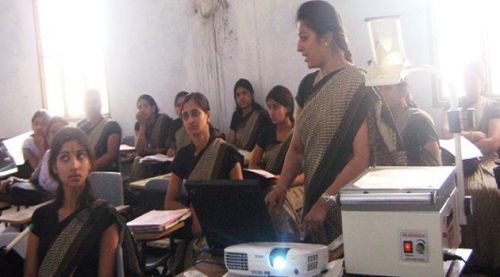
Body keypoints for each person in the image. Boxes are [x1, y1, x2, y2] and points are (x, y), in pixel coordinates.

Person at [266, 0, 405, 245]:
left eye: (304, 38)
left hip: (345, 207)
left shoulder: (358, 85)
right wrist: (281, 186)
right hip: (313, 201)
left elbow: (361, 158)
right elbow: (297, 148)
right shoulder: (307, 86)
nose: (299, 47)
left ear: (327, 37)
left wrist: (325, 202)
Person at [24, 127, 142, 277]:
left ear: (90, 164)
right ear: (54, 167)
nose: (74, 166)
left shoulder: (104, 217)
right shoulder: (40, 217)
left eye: (80, 156)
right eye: (65, 158)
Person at [164, 93, 243, 272]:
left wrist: (209, 216)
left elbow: (239, 200)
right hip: (194, 228)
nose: (190, 120)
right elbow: (169, 201)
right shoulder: (183, 155)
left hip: (223, 230)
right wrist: (192, 211)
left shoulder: (226, 152)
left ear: (208, 115)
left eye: (195, 113)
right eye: (185, 116)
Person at [441, 62, 500, 274]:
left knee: (487, 193)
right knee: (446, 195)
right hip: (457, 160)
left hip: (484, 160)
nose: (468, 83)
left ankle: (488, 257)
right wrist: (475, 135)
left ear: (482, 81)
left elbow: (494, 141)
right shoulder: (454, 105)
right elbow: (447, 135)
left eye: (473, 78)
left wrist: (464, 139)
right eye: (465, 78)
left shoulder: (492, 106)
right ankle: (456, 252)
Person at [249, 85, 304, 239]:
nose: (271, 112)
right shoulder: (266, 132)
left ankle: (290, 240)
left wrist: (283, 181)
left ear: (287, 108)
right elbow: (254, 164)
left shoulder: (298, 134)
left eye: (275, 107)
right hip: (268, 183)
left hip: (294, 184)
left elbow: (308, 173)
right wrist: (266, 176)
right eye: (269, 107)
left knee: (277, 202)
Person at [0, 116, 68, 206]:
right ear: (48, 138)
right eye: (53, 132)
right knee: (7, 186)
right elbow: (33, 179)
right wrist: (15, 179)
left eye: (61, 132)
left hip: (52, 200)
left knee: (14, 191)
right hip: (38, 193)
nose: (57, 136)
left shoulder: (70, 159)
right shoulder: (48, 154)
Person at [378, 81, 442, 166]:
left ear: (403, 92)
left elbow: (434, 163)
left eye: (388, 88)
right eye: (380, 89)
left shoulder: (419, 121)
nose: (382, 94)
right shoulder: (380, 122)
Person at [130, 94, 173, 181]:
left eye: (145, 106)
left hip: (163, 160)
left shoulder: (165, 121)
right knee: (137, 160)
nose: (142, 110)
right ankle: (136, 191)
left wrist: (148, 151)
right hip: (147, 160)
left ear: (153, 108)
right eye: (139, 107)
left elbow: (167, 149)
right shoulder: (138, 124)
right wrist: (142, 125)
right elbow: (139, 150)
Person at [77, 89, 122, 172]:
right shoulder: (80, 126)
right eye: (88, 103)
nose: (91, 106)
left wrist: (89, 168)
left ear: (100, 104)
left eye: (94, 102)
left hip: (105, 173)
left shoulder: (112, 126)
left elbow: (111, 155)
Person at [227, 78, 271, 151]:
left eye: (244, 93)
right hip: (238, 156)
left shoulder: (261, 115)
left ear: (252, 95)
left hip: (256, 156)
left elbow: (267, 141)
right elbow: (230, 142)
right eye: (238, 95)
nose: (241, 97)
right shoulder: (236, 115)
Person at [166, 91, 190, 157]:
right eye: (178, 105)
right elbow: (172, 144)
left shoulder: (197, 122)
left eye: (184, 104)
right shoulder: (174, 124)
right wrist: (171, 150)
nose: (182, 108)